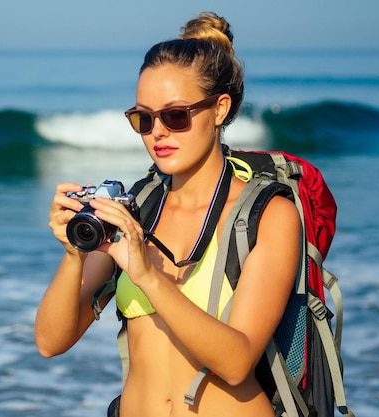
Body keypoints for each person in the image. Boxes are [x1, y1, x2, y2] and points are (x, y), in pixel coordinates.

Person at [35, 11, 301, 417]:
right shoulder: (138, 209)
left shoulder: (269, 214)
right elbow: (51, 342)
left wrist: (146, 275)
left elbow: (236, 361)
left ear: (219, 109)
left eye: (175, 116)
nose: (157, 132)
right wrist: (74, 253)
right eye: (143, 118)